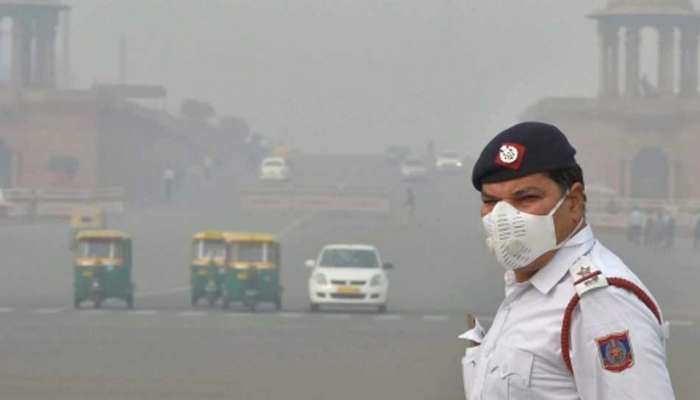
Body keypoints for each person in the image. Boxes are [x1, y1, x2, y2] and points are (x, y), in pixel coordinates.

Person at [462, 122, 674, 399]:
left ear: (573, 202)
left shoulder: (600, 302)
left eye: (526, 198)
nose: (504, 217)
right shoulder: (531, 285)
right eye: (491, 202)